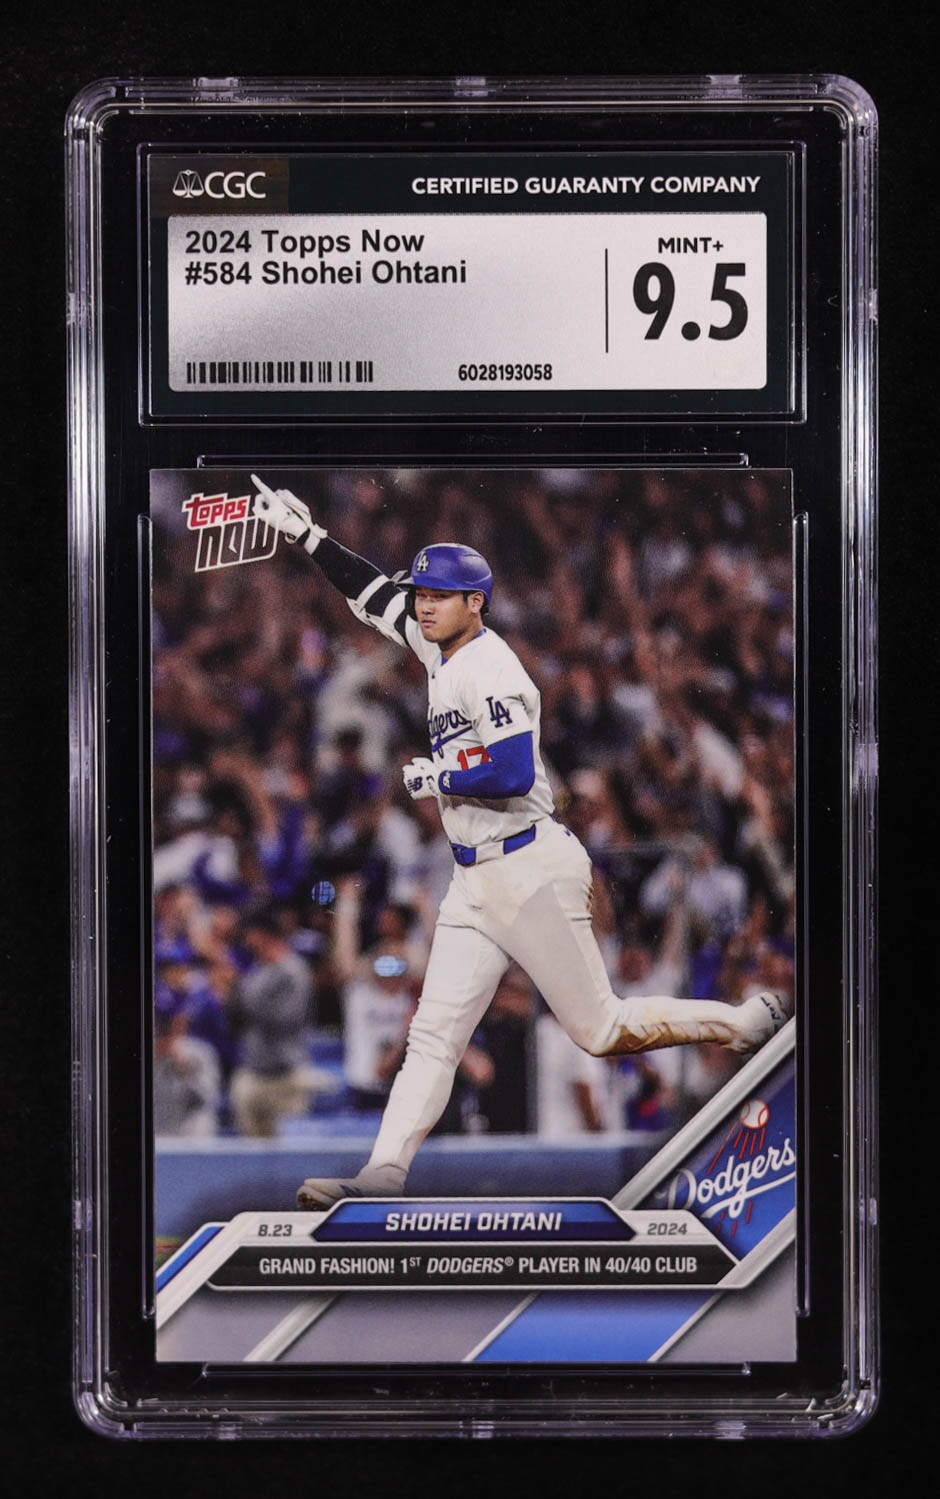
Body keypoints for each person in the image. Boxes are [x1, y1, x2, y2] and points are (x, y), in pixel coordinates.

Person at [251, 475, 791, 1207]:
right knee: (432, 1036)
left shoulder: (491, 667)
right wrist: (309, 536)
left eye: (439, 595)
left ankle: (742, 1021)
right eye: (422, 593)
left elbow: (509, 771)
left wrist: (441, 773)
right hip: (473, 879)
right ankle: (382, 1176)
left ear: (476, 602)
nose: (423, 604)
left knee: (600, 1030)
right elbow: (373, 594)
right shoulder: (438, 646)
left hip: (530, 863)